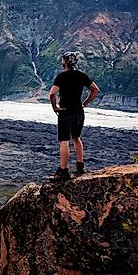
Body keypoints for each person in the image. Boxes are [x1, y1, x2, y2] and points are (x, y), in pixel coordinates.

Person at [48, 52, 100, 181]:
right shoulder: (81, 76)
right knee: (76, 137)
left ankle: (63, 170)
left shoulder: (61, 77)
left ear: (64, 62)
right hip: (78, 111)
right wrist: (85, 103)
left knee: (64, 140)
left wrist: (55, 107)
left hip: (65, 111)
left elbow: (52, 94)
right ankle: (80, 166)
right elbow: (95, 90)